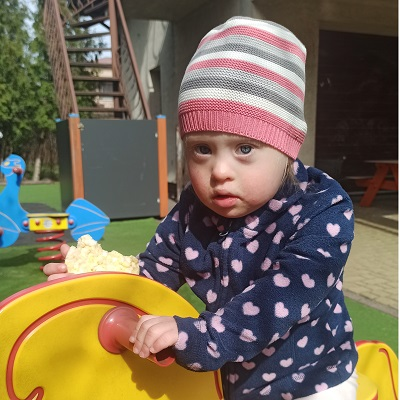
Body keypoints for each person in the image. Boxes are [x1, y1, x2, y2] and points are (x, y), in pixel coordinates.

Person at [44, 16, 358, 399]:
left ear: (287, 146)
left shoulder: (322, 211)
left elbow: (273, 302)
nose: (219, 172)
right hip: (230, 378)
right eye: (202, 149)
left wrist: (200, 336)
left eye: (244, 148)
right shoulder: (194, 208)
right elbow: (154, 271)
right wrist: (98, 275)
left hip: (311, 381)